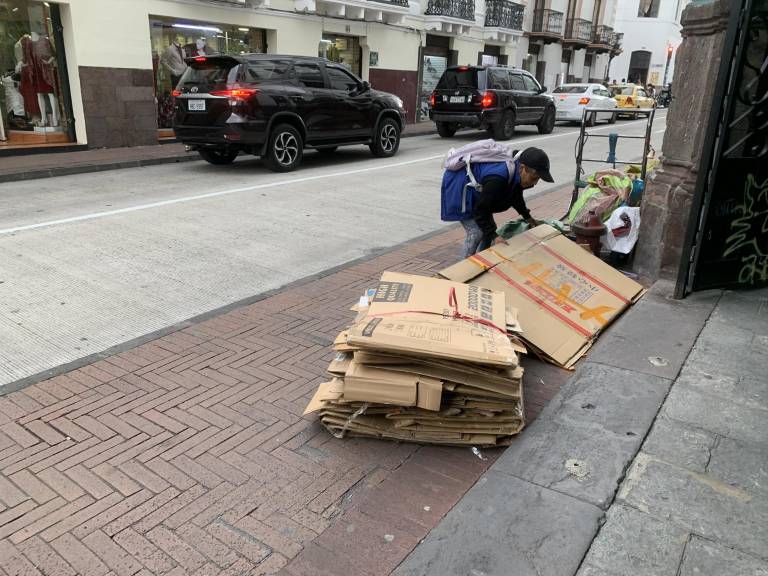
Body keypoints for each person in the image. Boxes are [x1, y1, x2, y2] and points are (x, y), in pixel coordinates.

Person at [461, 147, 553, 258]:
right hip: (462, 191)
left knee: (488, 229)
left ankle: (482, 260)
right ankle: (463, 268)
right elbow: (480, 210)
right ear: (522, 168)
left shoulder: (517, 171)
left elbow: (516, 197)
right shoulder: (497, 179)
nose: (535, 183)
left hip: (481, 194)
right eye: (533, 178)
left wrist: (527, 216)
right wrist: (494, 236)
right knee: (477, 231)